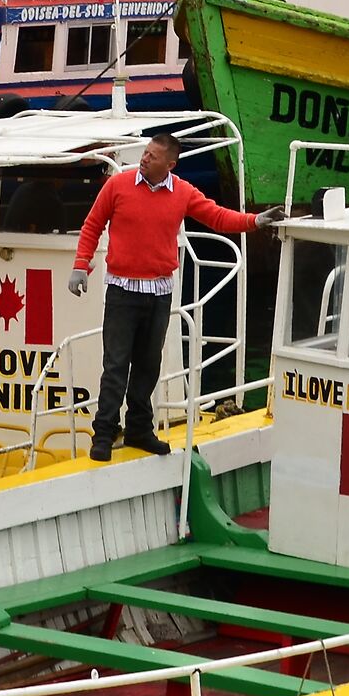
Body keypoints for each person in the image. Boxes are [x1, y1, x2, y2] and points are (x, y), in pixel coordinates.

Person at [70, 132, 285, 461]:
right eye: (145, 153)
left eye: (152, 156)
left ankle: (140, 428)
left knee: (148, 365)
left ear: (169, 164)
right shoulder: (117, 185)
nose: (144, 159)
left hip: (158, 293)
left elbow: (216, 216)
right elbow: (92, 225)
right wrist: (80, 266)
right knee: (115, 365)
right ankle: (104, 433)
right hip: (122, 290)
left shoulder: (182, 192)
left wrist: (254, 221)